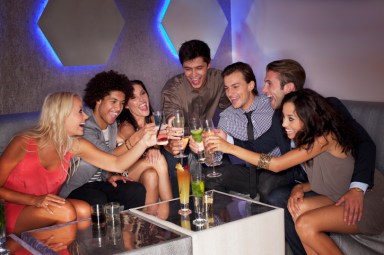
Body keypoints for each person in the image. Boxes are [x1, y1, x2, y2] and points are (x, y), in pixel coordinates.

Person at [215, 59, 376, 254]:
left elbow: (276, 164)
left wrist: (357, 188)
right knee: (295, 210)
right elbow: (260, 148)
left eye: (269, 83)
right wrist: (228, 140)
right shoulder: (281, 119)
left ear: (289, 88)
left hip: (365, 194)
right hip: (329, 189)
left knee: (303, 222)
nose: (264, 90)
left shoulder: (323, 126)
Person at [0, 91, 156, 235]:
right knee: (67, 211)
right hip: (14, 209)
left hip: (49, 207)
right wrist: (34, 200)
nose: (86, 117)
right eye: (80, 111)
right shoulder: (23, 142)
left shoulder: (74, 145)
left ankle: (73, 249)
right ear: (61, 115)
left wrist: (144, 143)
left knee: (84, 210)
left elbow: (116, 164)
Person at [59, 71, 148, 210]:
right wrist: (137, 138)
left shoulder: (112, 124)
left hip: (99, 183)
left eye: (122, 103)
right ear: (98, 99)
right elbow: (108, 156)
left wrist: (109, 176)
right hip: (76, 187)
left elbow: (108, 164)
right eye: (113, 101)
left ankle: (128, 231)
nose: (118, 108)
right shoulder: (84, 122)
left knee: (135, 190)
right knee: (98, 200)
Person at [161, 39, 230, 196]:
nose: (193, 75)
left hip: (208, 139)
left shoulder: (219, 79)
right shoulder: (173, 89)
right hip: (181, 143)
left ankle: (220, 207)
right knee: (180, 168)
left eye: (199, 68)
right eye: (188, 69)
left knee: (221, 175)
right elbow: (171, 120)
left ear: (208, 65)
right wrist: (174, 139)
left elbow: (232, 107)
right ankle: (184, 208)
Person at [214, 62, 285, 201]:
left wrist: (230, 146)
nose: (229, 94)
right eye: (226, 88)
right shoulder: (227, 117)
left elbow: (266, 154)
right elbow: (218, 154)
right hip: (248, 171)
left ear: (251, 85)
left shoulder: (273, 105)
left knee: (266, 183)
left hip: (277, 166)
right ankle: (223, 219)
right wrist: (204, 150)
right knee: (213, 175)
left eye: (235, 87)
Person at [117, 80, 173, 206]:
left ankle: (152, 219)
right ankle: (172, 208)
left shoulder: (154, 120)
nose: (142, 100)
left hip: (145, 170)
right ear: (126, 105)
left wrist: (172, 136)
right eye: (134, 98)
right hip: (123, 173)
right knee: (158, 160)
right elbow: (141, 144)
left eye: (143, 93)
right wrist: (154, 148)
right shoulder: (127, 126)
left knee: (151, 175)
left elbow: (165, 143)